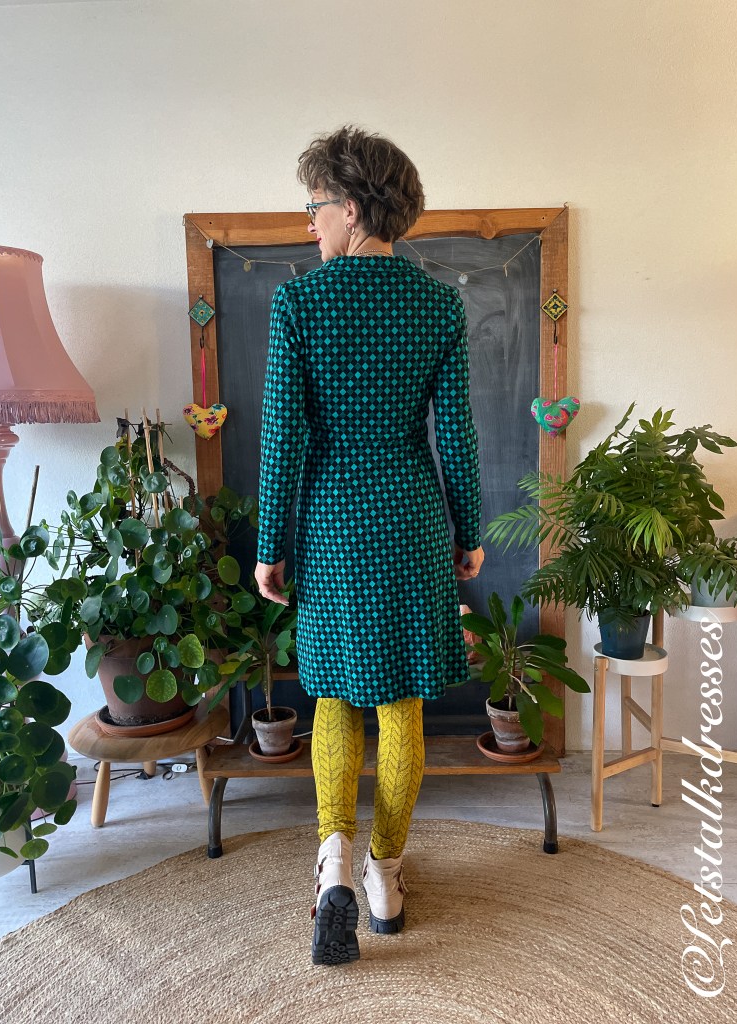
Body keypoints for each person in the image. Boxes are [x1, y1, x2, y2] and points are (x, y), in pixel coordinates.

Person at [254, 125, 484, 967]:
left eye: (315, 206)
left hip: (332, 526)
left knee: (333, 697)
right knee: (401, 703)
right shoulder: (439, 305)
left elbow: (283, 438)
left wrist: (270, 543)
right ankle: (385, 874)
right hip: (412, 522)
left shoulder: (299, 305)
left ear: (351, 208)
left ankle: (333, 864)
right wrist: (467, 532)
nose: (309, 223)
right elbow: (456, 434)